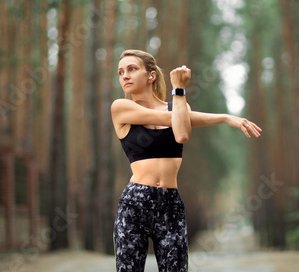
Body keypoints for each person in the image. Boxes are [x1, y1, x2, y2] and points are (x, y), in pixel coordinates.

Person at [111, 49, 262, 272]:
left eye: (132, 69)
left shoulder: (178, 107)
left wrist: (225, 117)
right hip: (135, 203)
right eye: (121, 72)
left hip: (171, 204)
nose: (124, 75)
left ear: (151, 75)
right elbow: (175, 120)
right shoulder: (121, 108)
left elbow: (182, 132)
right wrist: (179, 91)